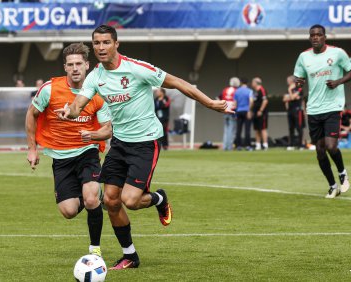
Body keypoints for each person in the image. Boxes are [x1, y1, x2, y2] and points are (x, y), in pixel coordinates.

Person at [55, 25, 232, 270]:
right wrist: (68, 112)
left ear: (116, 44)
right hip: (119, 143)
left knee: (129, 200)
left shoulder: (137, 69)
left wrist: (210, 103)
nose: (101, 47)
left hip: (146, 142)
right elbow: (77, 106)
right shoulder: (95, 76)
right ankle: (130, 256)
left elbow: (178, 82)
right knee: (110, 200)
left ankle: (158, 198)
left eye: (106, 42)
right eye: (96, 43)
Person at [25, 43, 112, 257]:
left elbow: (107, 130)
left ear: (87, 65)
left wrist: (92, 136)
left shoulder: (97, 92)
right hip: (60, 157)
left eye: (79, 64)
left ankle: (95, 250)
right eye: (71, 64)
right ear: (65, 67)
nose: (75, 68)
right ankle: (93, 195)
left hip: (87, 152)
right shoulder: (50, 89)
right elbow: (31, 115)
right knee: (69, 211)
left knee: (91, 199)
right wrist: (32, 149)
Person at [293, 24, 351, 198]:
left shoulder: (337, 53)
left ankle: (343, 173)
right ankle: (332, 185)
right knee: (320, 151)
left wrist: (338, 82)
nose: (315, 37)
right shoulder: (303, 57)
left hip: (333, 107)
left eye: (318, 35)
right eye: (312, 35)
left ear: (324, 37)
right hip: (313, 109)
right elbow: (298, 76)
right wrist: (299, 81)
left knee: (331, 146)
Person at [283, 75, 306, 150]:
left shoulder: (298, 88)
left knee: (299, 127)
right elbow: (284, 99)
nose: (287, 82)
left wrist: (290, 93)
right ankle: (291, 145)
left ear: (291, 81)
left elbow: (292, 97)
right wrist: (291, 97)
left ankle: (301, 145)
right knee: (291, 128)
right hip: (290, 110)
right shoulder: (287, 89)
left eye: (288, 80)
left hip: (297, 110)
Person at [219, 77, 240, 151]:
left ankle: (225, 146)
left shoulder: (225, 90)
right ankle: (230, 147)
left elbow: (220, 98)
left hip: (225, 111)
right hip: (232, 112)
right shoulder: (236, 91)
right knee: (232, 130)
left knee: (226, 130)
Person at [234, 78, 254, 151]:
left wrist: (235, 113)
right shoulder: (249, 91)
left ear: (241, 83)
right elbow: (251, 101)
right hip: (246, 111)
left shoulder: (237, 91)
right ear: (247, 83)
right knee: (247, 130)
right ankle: (248, 146)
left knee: (238, 130)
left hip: (239, 111)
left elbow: (235, 103)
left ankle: (238, 146)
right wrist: (249, 110)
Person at [251, 77, 269, 150]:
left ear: (256, 83)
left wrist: (261, 110)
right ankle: (258, 145)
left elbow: (265, 101)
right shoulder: (254, 92)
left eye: (253, 82)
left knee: (263, 128)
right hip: (255, 113)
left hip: (262, 113)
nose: (252, 84)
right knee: (257, 129)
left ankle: (265, 144)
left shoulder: (262, 90)